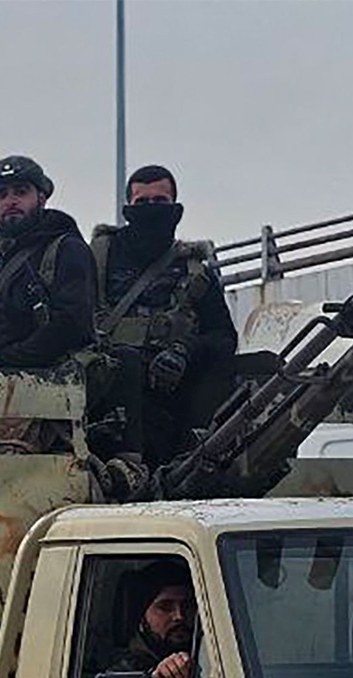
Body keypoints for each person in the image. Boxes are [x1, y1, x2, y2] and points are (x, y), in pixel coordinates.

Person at [91, 165, 238, 466]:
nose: (151, 210)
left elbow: (224, 338)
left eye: (160, 202)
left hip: (173, 393)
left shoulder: (195, 271)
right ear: (128, 209)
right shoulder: (98, 259)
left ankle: (197, 460)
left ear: (175, 209)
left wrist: (183, 352)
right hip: (106, 394)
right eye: (142, 203)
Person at [0, 156, 97, 374]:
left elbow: (71, 326)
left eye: (21, 191)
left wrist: (5, 362)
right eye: (1, 195)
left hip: (51, 388)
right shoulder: (1, 265)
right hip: (1, 388)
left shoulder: (66, 250)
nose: (10, 201)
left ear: (42, 199)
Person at [107, 559, 196, 678]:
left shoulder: (215, 658)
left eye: (187, 606)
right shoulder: (123, 672)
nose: (179, 616)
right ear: (142, 616)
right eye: (165, 607)